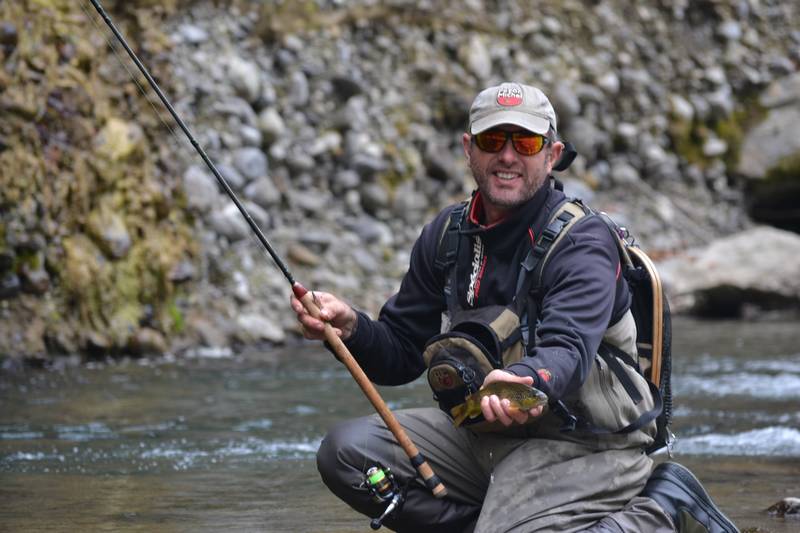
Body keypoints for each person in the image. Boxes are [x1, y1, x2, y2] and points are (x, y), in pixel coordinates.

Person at [292, 82, 738, 533]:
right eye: (492, 140)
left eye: (524, 142)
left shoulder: (582, 243)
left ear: (552, 153)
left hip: (588, 444)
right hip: (484, 436)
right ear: (469, 149)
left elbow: (568, 351)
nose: (507, 156)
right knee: (346, 453)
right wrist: (349, 327)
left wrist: (526, 381)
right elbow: (402, 351)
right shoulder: (446, 235)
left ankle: (659, 511)